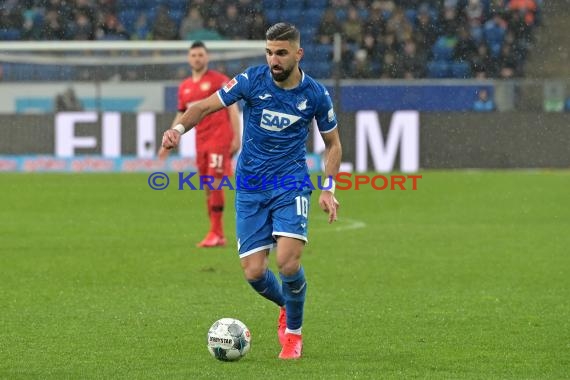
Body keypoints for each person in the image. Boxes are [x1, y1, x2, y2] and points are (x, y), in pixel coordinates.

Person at [162, 23, 342, 359]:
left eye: (282, 53)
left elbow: (333, 145)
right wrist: (178, 129)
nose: (274, 60)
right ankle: (288, 304)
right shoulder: (251, 80)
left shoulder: (315, 94)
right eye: (270, 52)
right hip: (250, 187)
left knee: (288, 262)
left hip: (290, 183)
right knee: (255, 272)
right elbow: (201, 107)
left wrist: (328, 188)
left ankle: (293, 335)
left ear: (298, 54)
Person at [158, 41, 241, 248]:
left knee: (215, 182)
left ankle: (217, 232)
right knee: (207, 185)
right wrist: (170, 137)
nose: (197, 58)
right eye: (193, 55)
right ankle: (214, 232)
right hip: (200, 140)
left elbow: (232, 108)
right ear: (189, 59)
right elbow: (181, 114)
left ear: (207, 57)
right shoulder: (185, 87)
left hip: (219, 138)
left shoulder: (218, 81)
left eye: (200, 55)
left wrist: (236, 137)